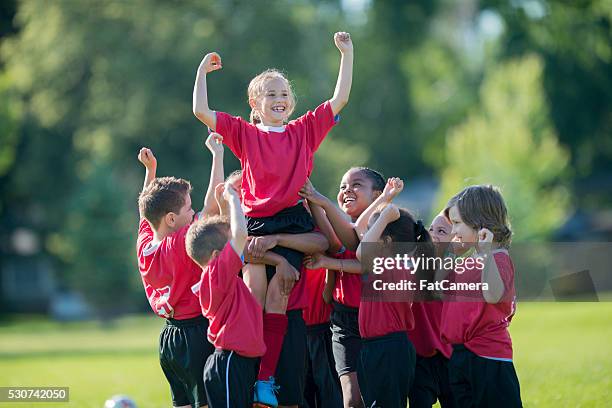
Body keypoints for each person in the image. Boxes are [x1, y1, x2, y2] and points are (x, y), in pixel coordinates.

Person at [193, 32, 353, 408]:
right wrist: (202, 71)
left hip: (292, 222)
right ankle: (249, 375)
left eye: (284, 94)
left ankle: (265, 380)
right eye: (271, 95)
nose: (279, 100)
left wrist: (346, 54)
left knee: (279, 295)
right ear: (255, 104)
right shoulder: (245, 134)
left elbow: (340, 97)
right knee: (254, 297)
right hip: (255, 223)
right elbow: (202, 111)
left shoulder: (303, 131)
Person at [135, 134, 223, 408]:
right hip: (197, 333)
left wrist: (151, 173)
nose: (193, 210)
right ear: (172, 219)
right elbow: (210, 206)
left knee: (183, 404)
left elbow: (145, 214)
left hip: (169, 339)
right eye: (188, 208)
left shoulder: (145, 244)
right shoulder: (181, 242)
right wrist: (217, 155)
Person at [299, 168, 388, 408]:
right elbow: (333, 243)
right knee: (351, 399)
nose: (347, 190)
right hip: (343, 322)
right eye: (342, 187)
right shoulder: (344, 228)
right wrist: (309, 193)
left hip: (376, 319)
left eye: (357, 185)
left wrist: (317, 198)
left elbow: (363, 258)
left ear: (377, 195)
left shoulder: (383, 228)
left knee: (376, 395)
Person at [185, 181, 267, 407]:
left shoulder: (219, 278)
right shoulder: (215, 274)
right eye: (229, 246)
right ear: (215, 256)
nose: (236, 248)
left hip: (238, 362)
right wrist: (233, 198)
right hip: (230, 361)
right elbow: (240, 234)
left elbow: (236, 234)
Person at [441, 185, 522, 407]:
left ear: (479, 222)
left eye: (457, 223)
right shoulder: (469, 260)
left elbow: (493, 295)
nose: (453, 231)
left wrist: (486, 252)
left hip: (488, 356)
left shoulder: (497, 258)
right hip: (461, 355)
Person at [355, 203, 433, 408]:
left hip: (387, 349)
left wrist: (384, 217)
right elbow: (358, 228)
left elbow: (362, 253)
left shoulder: (390, 266)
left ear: (387, 241)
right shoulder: (393, 266)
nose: (365, 236)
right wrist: (385, 202)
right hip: (382, 347)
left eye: (373, 232)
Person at [407, 212, 455, 407]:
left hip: (450, 357)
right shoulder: (415, 265)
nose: (433, 234)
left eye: (442, 231)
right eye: (431, 229)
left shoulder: (457, 272)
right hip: (419, 358)